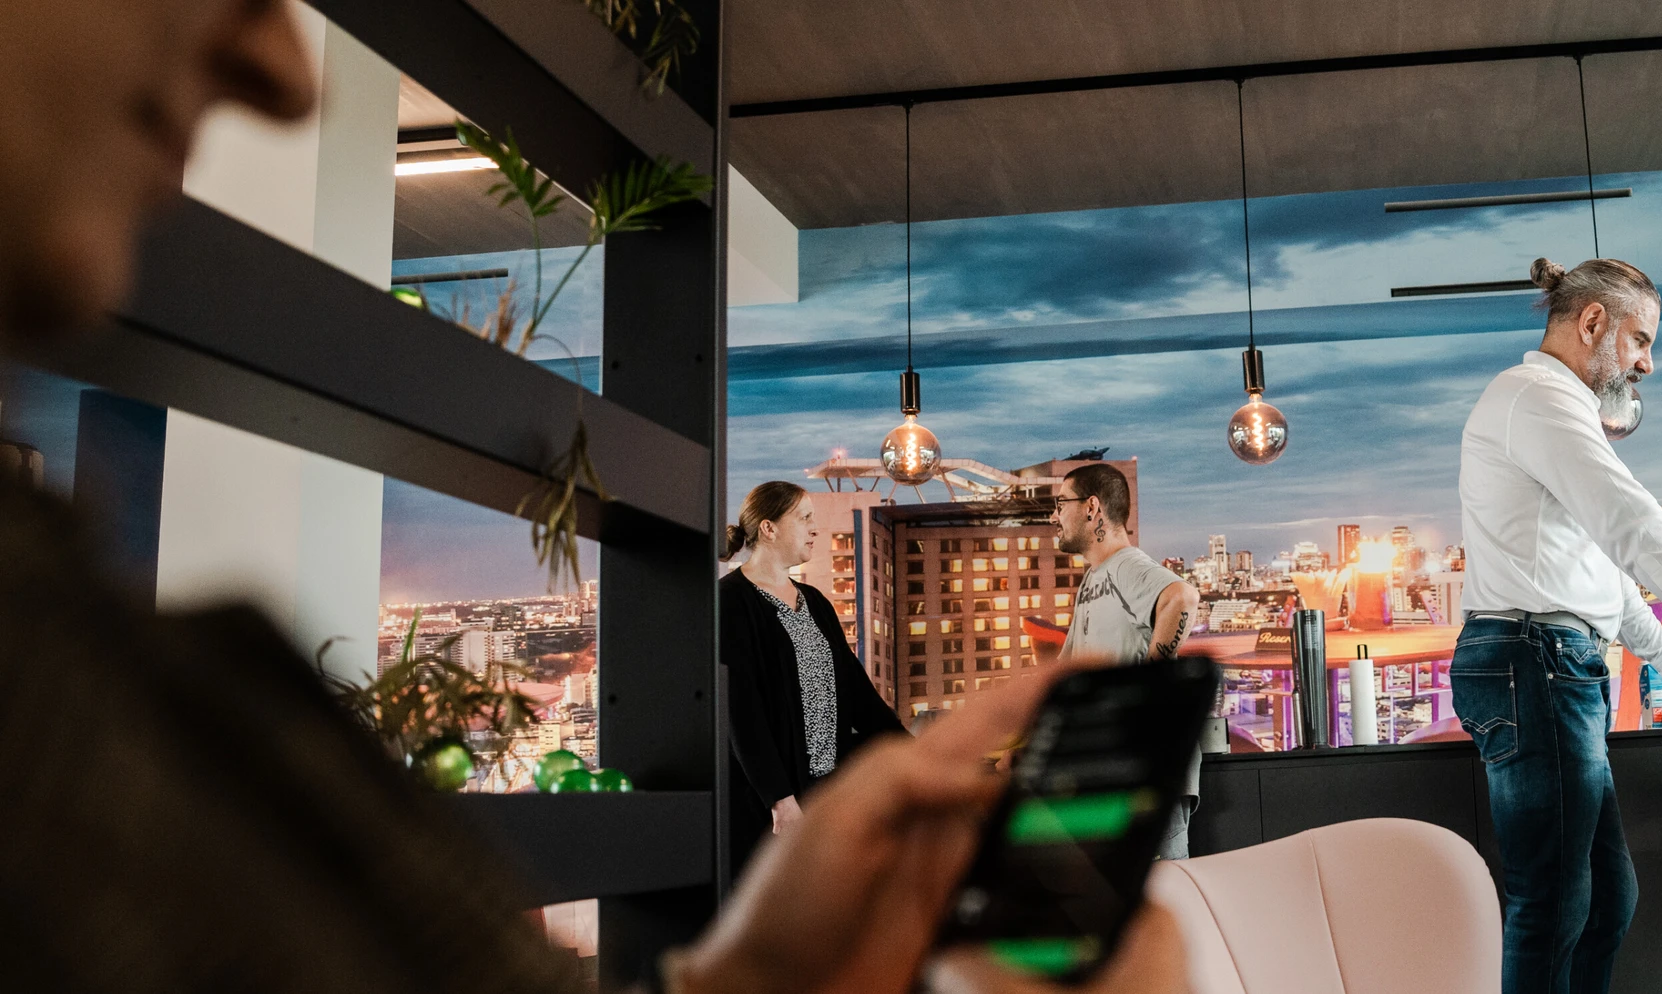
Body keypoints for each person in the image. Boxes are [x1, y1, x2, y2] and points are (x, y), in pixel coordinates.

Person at [0, 3, 1182, 991]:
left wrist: (771, 962)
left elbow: (857, 707)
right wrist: (783, 825)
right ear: (769, 526)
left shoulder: (120, 686)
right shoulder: (100, 727)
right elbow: (747, 726)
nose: (282, 68)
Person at [1456, 256, 1662, 994]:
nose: (1648, 361)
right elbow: (1635, 526)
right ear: (1592, 323)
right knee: (1553, 901)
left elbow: (1604, 581)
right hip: (1531, 660)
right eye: (1640, 340)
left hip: (1552, 660)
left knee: (1609, 898)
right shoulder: (1536, 398)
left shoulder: (1556, 408)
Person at [721, 480, 907, 850]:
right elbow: (741, 712)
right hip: (770, 808)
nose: (814, 528)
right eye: (804, 518)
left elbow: (857, 695)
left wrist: (913, 752)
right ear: (768, 528)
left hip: (825, 792)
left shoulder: (815, 602)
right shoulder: (730, 602)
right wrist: (780, 800)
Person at [1050, 462, 1203, 858]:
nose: (1054, 516)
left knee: (1161, 902)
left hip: (1148, 774)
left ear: (1091, 507)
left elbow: (1182, 598)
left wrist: (1147, 688)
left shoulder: (1125, 565)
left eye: (1060, 503)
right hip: (1115, 779)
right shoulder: (1093, 579)